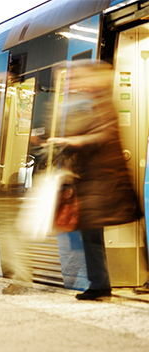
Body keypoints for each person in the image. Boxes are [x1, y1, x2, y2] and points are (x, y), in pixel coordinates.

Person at [47, 60, 141, 301]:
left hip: (103, 182)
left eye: (78, 79)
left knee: (93, 234)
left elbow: (105, 133)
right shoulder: (91, 102)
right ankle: (99, 284)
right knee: (91, 235)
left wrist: (76, 141)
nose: (75, 84)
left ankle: (100, 284)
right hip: (93, 182)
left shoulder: (102, 102)